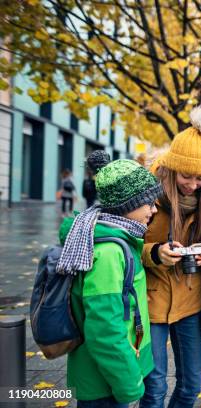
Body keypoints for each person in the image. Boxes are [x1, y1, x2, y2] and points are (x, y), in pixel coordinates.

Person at [56, 151, 163, 407]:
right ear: (127, 205)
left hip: (111, 374)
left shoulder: (121, 240)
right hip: (106, 383)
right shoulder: (108, 254)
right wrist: (129, 384)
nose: (155, 208)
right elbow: (104, 329)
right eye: (148, 202)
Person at [140, 106, 201, 408]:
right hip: (151, 303)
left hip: (191, 302)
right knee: (154, 388)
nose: (194, 184)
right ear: (173, 167)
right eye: (188, 175)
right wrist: (156, 253)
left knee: (191, 387)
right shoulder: (146, 195)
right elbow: (128, 245)